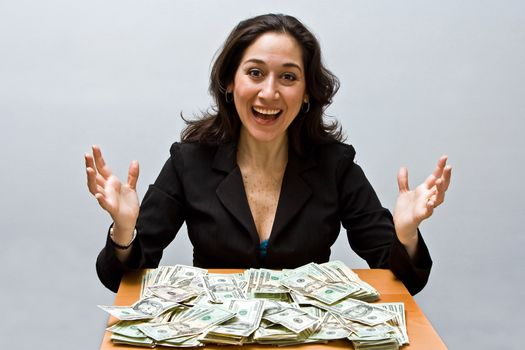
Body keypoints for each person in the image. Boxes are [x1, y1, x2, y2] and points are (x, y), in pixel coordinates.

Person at [85, 14, 452, 295]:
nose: (269, 92)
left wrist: (405, 235)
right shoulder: (189, 162)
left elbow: (406, 282)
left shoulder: (335, 165)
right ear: (230, 82)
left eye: (288, 77)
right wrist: (124, 230)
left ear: (308, 92)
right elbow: (122, 279)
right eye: (255, 73)